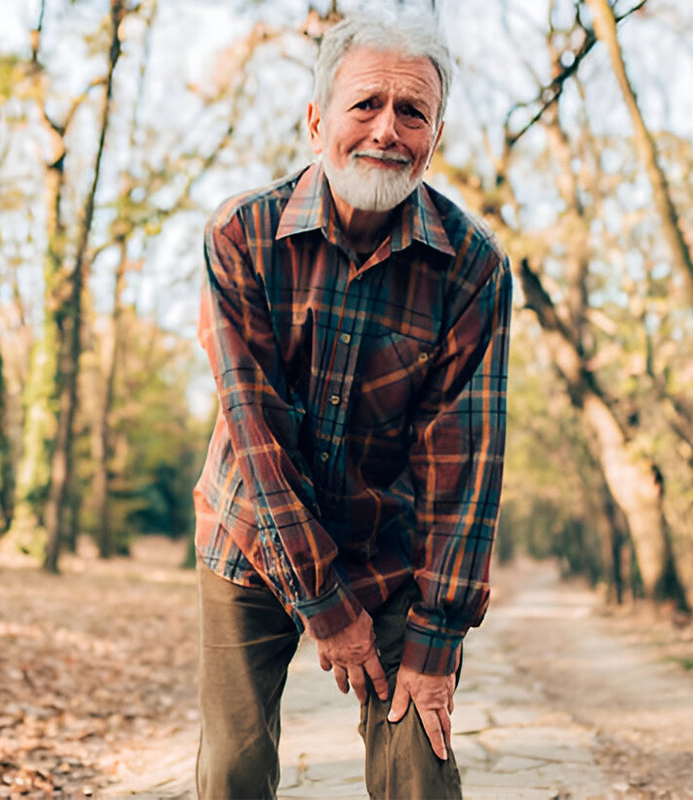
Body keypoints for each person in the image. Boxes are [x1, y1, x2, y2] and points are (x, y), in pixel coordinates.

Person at [192, 8, 511, 798]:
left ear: (435, 136)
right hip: (254, 534)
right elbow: (256, 434)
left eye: (413, 112)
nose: (386, 130)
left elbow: (465, 469)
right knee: (232, 769)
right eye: (365, 104)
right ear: (316, 121)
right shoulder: (242, 236)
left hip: (392, 545)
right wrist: (325, 608)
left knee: (420, 766)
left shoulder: (473, 269)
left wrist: (438, 638)